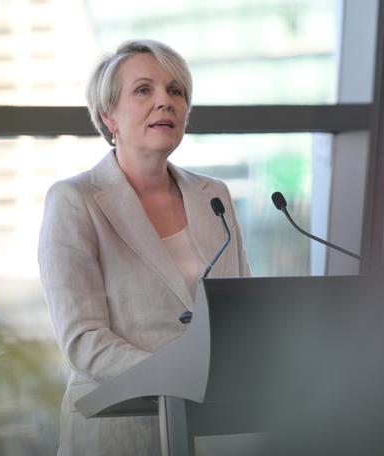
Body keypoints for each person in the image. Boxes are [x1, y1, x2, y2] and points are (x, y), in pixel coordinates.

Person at [39, 39, 250, 456]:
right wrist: (176, 376)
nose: (165, 102)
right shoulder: (74, 200)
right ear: (108, 116)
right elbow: (84, 339)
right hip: (119, 430)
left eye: (176, 91)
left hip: (214, 432)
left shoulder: (215, 196)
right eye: (143, 90)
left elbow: (239, 310)